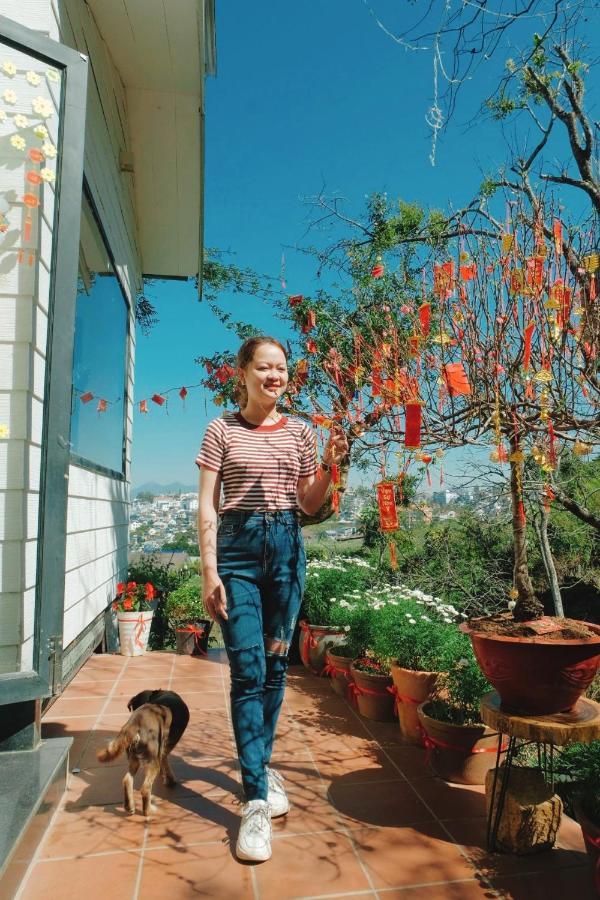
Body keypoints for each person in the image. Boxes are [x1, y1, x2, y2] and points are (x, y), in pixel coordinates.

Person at [196, 335, 347, 862]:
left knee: (278, 669)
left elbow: (307, 503)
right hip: (236, 551)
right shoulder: (221, 430)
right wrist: (208, 570)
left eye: (281, 368)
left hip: (286, 550)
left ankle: (257, 763)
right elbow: (208, 507)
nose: (274, 376)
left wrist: (328, 468)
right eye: (264, 367)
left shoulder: (302, 433)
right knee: (247, 670)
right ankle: (255, 799)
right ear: (243, 372)